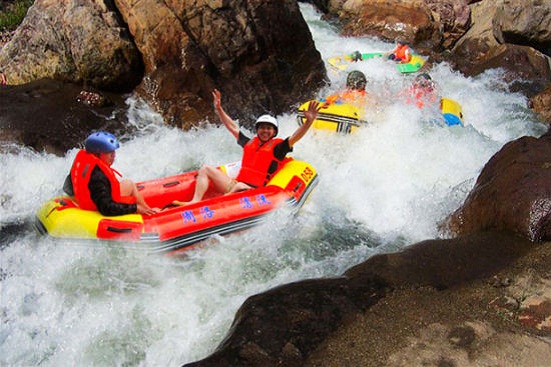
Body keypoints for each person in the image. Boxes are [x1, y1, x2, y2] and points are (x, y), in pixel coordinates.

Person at [173, 89, 321, 206]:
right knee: (205, 168)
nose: (265, 131)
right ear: (257, 130)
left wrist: (308, 122)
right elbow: (232, 127)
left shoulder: (278, 148)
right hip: (236, 185)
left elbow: (295, 137)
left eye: (269, 128)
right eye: (262, 128)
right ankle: (195, 202)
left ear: (274, 132)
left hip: (255, 192)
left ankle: (213, 206)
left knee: (239, 187)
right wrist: (219, 108)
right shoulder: (249, 143)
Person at [63, 131, 158, 216]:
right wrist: (135, 208)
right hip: (96, 208)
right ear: (97, 153)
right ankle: (149, 211)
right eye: (109, 153)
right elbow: (107, 208)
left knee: (128, 184)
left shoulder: (84, 160)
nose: (113, 156)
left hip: (87, 201)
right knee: (130, 186)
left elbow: (68, 187)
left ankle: (148, 209)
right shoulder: (98, 176)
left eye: (113, 152)